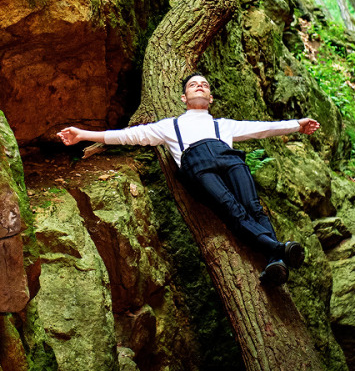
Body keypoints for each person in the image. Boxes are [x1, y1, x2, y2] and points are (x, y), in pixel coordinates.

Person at [58, 73, 320, 286]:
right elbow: (127, 135)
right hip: (198, 167)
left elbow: (263, 128)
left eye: (205, 85)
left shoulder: (224, 125)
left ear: (210, 98)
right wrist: (83, 134)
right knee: (232, 210)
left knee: (253, 207)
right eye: (194, 84)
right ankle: (278, 248)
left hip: (230, 159)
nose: (200, 87)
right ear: (184, 97)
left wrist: (298, 124)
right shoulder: (168, 126)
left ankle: (277, 261)